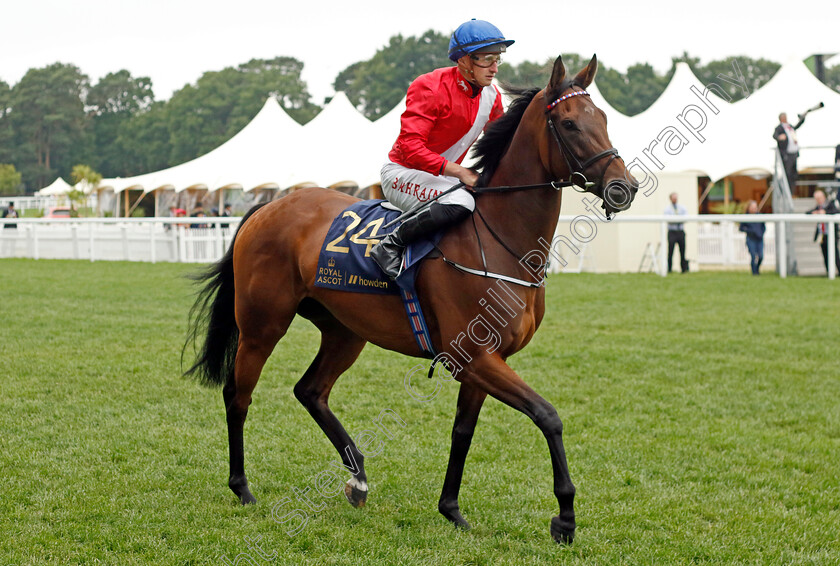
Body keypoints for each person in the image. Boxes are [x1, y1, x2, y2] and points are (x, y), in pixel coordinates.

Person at [369, 19, 514, 279]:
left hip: (441, 180)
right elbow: (410, 147)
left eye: (498, 59)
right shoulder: (429, 86)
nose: (494, 68)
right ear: (464, 61)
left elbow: (500, 146)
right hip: (402, 174)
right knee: (461, 200)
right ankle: (390, 245)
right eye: (487, 59)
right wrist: (461, 172)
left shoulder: (492, 96)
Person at [807, 189, 840, 274]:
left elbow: (836, 212)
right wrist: (815, 212)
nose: (818, 200)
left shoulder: (830, 204)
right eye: (816, 199)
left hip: (831, 234)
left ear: (823, 197)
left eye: (819, 198)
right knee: (825, 254)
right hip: (822, 235)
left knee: (835, 255)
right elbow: (808, 212)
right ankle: (828, 272)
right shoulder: (818, 207)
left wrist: (825, 212)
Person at [772, 112, 806, 192]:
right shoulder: (779, 128)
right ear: (781, 118)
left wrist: (803, 118)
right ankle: (786, 190)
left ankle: (791, 190)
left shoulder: (789, 127)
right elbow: (774, 135)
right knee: (787, 172)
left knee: (794, 173)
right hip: (787, 154)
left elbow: (797, 126)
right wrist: (779, 137)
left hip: (794, 153)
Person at [664, 192, 689, 273]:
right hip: (672, 232)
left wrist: (676, 219)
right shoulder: (667, 209)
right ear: (670, 199)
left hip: (680, 232)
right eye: (673, 198)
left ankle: (683, 269)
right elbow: (668, 220)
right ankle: (669, 269)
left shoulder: (682, 208)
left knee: (682, 252)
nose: (675, 199)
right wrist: (678, 219)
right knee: (670, 252)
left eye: (676, 198)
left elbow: (685, 218)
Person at [739, 200, 765, 275]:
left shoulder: (760, 216)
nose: (754, 209)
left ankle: (757, 269)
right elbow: (741, 228)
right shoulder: (746, 217)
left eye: (755, 207)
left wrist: (761, 233)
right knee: (753, 256)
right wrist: (750, 231)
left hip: (759, 239)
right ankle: (754, 273)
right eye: (753, 207)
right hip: (751, 239)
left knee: (760, 256)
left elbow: (763, 227)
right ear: (749, 208)